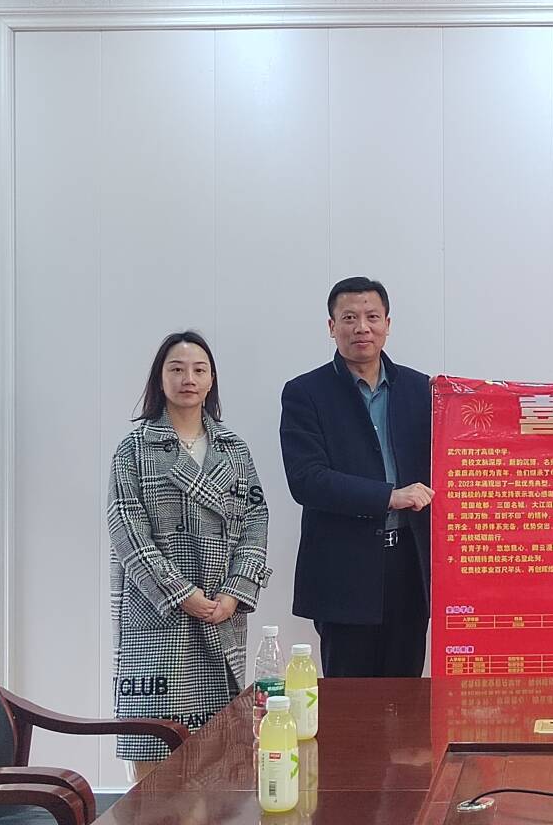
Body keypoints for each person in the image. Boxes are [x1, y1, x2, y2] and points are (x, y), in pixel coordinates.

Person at [108, 330, 271, 779]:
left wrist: (235, 592)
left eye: (199, 370)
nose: (188, 379)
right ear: (159, 378)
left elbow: (256, 520)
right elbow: (127, 532)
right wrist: (182, 594)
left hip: (221, 611)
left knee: (222, 755)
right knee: (156, 749)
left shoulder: (233, 449)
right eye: (177, 369)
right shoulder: (134, 449)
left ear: (211, 379)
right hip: (159, 613)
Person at [280, 276, 433, 678]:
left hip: (410, 567)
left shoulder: (421, 389)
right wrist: (389, 496)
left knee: (406, 695)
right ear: (332, 327)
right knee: (349, 700)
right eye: (349, 318)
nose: (361, 327)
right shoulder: (305, 393)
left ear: (387, 324)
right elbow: (306, 479)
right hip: (344, 570)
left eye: (371, 317)